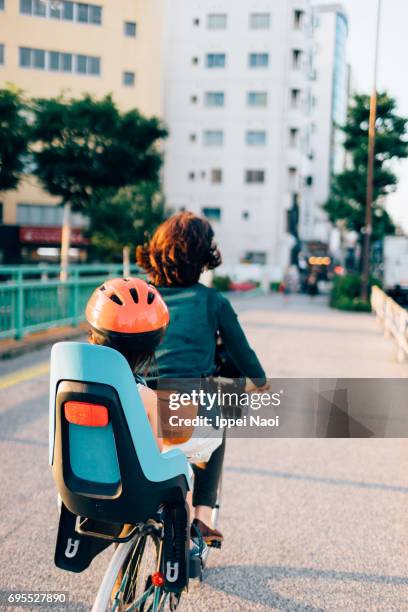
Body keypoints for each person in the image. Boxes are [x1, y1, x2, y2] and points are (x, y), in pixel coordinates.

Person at [136, 211, 268, 545]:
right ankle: (203, 517)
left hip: (137, 405)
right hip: (187, 410)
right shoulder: (212, 301)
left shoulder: (142, 296)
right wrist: (261, 381)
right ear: (203, 258)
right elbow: (241, 352)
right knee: (216, 423)